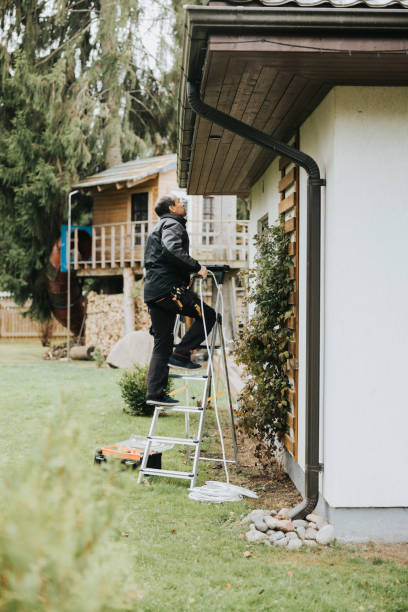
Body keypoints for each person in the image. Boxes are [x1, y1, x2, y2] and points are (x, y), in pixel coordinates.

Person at [144, 194, 216, 406]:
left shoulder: (159, 227)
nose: (183, 204)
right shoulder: (173, 224)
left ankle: (154, 394)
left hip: (154, 292)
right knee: (209, 315)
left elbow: (163, 258)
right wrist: (197, 267)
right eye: (179, 202)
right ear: (172, 208)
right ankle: (182, 354)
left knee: (162, 342)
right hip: (169, 291)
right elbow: (172, 249)